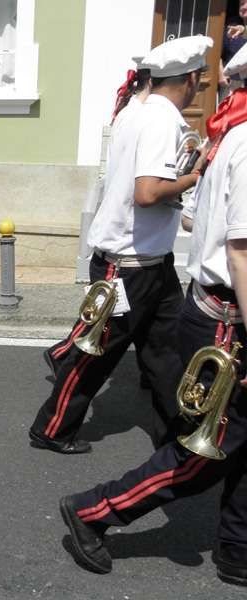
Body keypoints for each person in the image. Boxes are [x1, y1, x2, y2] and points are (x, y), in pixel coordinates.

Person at [59, 44, 247, 586]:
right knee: (205, 451)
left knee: (164, 371)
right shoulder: (177, 123)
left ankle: (236, 547)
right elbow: (233, 245)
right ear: (187, 80)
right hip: (192, 294)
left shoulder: (208, 131)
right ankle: (97, 508)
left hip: (165, 273)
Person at [29, 36, 212, 454]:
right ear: (189, 78)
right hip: (127, 265)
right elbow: (148, 191)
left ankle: (177, 434)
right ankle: (52, 428)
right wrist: (196, 174)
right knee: (96, 357)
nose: (198, 88)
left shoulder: (136, 110)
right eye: (199, 81)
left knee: (166, 353)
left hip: (151, 260)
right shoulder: (163, 121)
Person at [44, 57, 152, 380]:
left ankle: (65, 357)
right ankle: (64, 363)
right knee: (104, 328)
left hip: (124, 242)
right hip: (119, 248)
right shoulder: (140, 118)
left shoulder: (130, 114)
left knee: (135, 329)